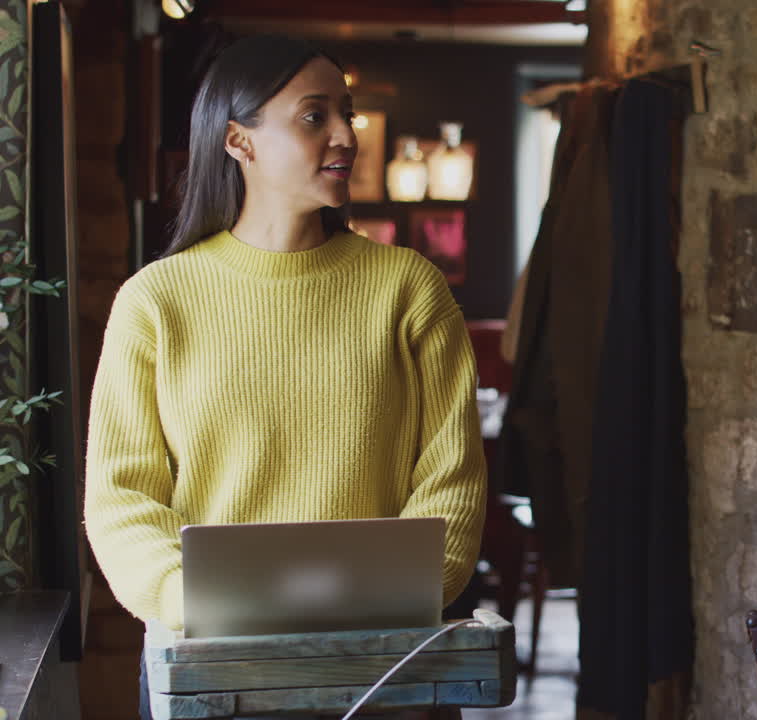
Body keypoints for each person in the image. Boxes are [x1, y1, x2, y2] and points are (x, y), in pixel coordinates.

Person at [82, 34, 486, 719]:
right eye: (314, 116)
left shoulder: (409, 289)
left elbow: (452, 483)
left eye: (346, 114)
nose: (345, 136)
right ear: (239, 142)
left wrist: (399, 594)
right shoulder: (156, 301)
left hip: (386, 670)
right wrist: (196, 602)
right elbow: (121, 502)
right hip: (208, 670)